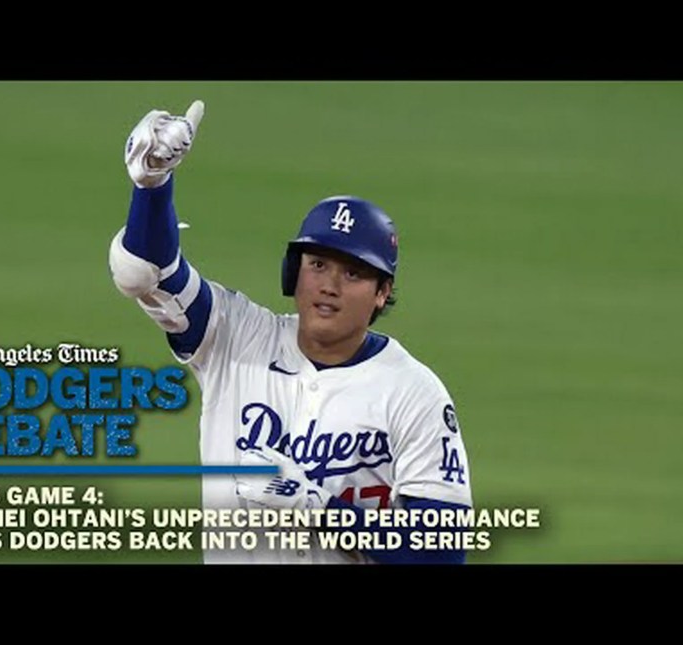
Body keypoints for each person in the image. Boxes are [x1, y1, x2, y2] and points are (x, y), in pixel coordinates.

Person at [108, 100, 473, 564]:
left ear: (382, 293)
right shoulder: (234, 337)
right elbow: (146, 272)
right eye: (317, 264)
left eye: (353, 273)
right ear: (292, 272)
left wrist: (320, 509)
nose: (329, 285)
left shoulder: (412, 392)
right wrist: (153, 184)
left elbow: (442, 552)